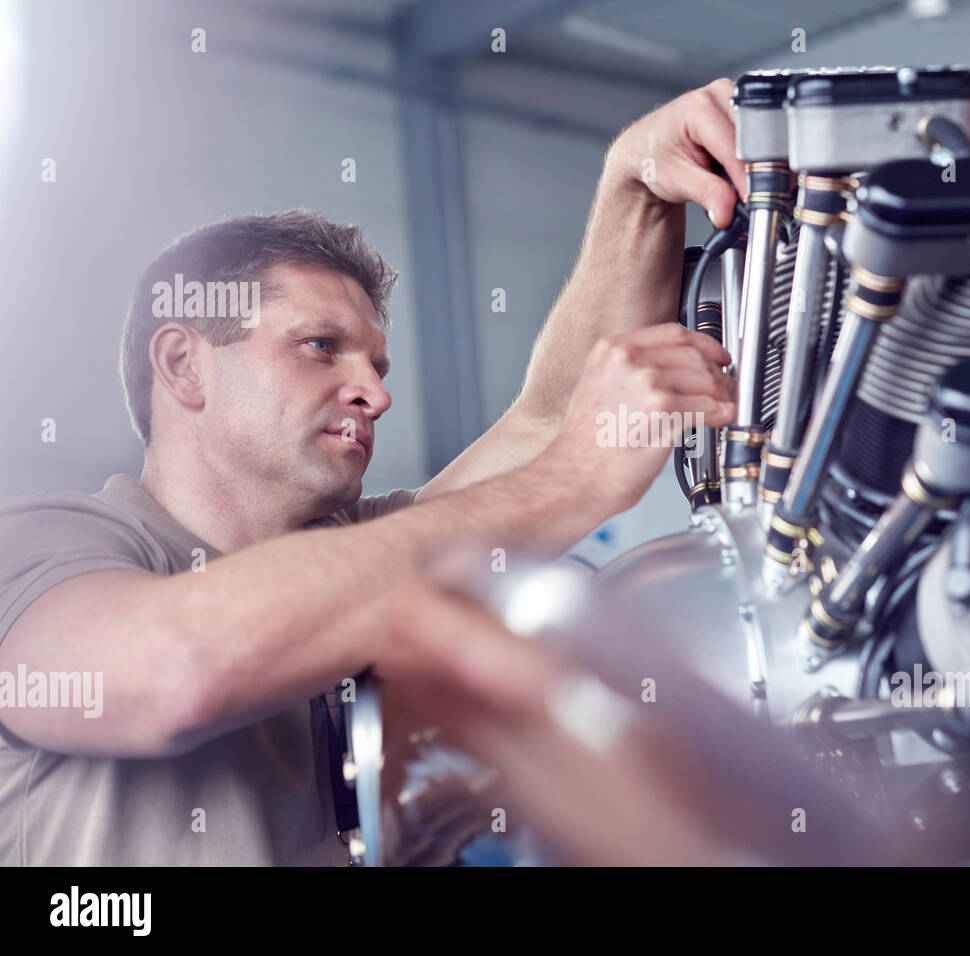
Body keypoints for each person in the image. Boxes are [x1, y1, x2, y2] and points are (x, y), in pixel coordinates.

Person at [0, 79, 746, 866]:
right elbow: (176, 671)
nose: (378, 394)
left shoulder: (361, 553)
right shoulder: (45, 546)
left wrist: (637, 186)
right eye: (320, 346)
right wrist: (572, 481)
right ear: (185, 366)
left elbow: (550, 419)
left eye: (378, 365)